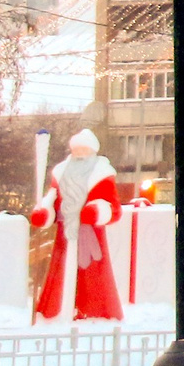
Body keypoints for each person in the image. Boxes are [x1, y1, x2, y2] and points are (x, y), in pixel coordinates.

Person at [30, 129, 122, 322]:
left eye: (84, 149)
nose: (80, 153)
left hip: (90, 235)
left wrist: (97, 211)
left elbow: (113, 207)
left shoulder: (102, 175)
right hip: (65, 234)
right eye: (77, 149)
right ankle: (55, 311)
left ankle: (93, 311)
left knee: (92, 275)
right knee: (60, 272)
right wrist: (44, 213)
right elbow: (52, 199)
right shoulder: (61, 172)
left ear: (92, 151)